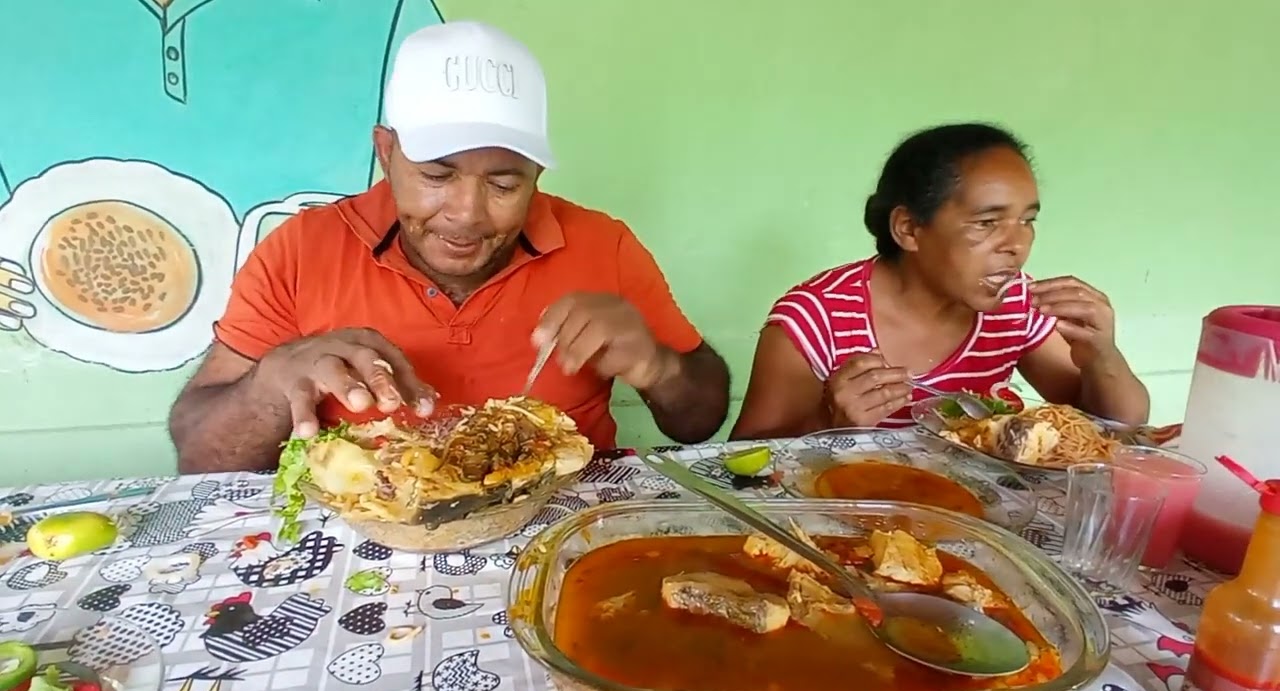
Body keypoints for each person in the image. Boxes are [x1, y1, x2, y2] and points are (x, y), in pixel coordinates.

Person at [169, 21, 730, 473]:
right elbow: (200, 456)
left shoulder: (603, 245)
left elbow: (699, 423)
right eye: (437, 176)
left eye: (505, 183)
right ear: (386, 152)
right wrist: (271, 384)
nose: (466, 213)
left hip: (559, 526)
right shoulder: (299, 251)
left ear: (536, 171)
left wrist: (657, 368)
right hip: (364, 547)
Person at [731, 123, 1149, 439]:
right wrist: (829, 424)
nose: (1017, 245)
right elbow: (737, 466)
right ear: (909, 228)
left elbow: (1119, 426)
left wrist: (1102, 356)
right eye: (986, 223)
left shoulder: (1014, 306)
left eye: (1027, 220)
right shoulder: (818, 318)